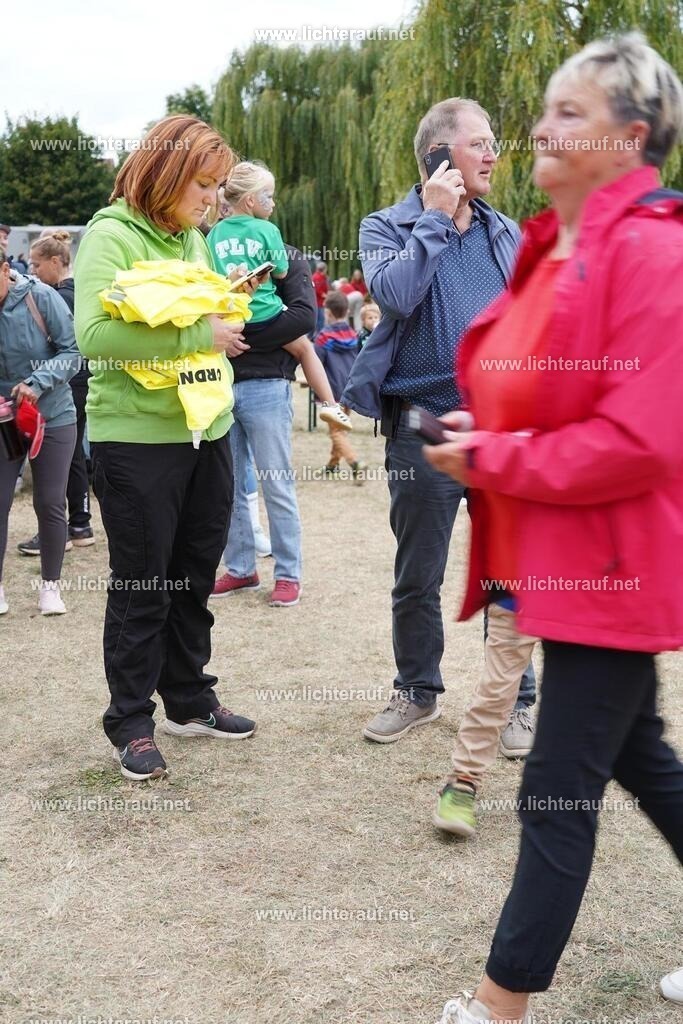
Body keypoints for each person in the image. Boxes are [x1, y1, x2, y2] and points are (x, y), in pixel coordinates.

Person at [427, 33, 683, 1024]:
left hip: (613, 569)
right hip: (565, 561)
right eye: (544, 107)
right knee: (640, 759)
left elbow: (636, 439)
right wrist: (482, 428)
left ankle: (496, 1009)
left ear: (632, 137)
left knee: (552, 795)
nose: (540, 126)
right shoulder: (557, 245)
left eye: (567, 113)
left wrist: (495, 460)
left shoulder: (653, 251)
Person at [341, 96, 536, 745]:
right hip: (421, 427)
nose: (492, 154)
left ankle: (515, 702)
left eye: (492, 142)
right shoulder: (386, 226)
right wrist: (432, 218)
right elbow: (394, 296)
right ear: (438, 155)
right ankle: (417, 692)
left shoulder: (504, 230)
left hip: (501, 430)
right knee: (417, 573)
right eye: (478, 143)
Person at [74, 115, 256, 783]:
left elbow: (205, 312)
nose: (211, 201)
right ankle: (130, 719)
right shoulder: (110, 235)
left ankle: (189, 699)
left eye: (217, 187)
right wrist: (196, 338)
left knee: (191, 577)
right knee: (143, 584)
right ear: (166, 173)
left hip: (206, 431)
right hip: (136, 441)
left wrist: (231, 313)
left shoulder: (191, 242)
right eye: (203, 185)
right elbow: (93, 336)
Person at [206, 163, 350, 432]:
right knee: (305, 349)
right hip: (266, 313)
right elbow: (282, 272)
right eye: (268, 196)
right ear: (251, 200)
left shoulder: (213, 234)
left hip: (233, 317)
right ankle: (330, 405)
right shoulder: (267, 230)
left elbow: (211, 277)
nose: (272, 203)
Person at [210, 240, 315, 607]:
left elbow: (303, 318)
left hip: (268, 384)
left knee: (276, 482)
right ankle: (240, 568)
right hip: (220, 382)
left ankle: (288, 574)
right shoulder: (210, 249)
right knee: (229, 484)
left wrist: (237, 336)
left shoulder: (287, 257)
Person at [0, 236, 79, 616]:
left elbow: (73, 351)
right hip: (4, 421)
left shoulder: (40, 297)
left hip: (53, 416)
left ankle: (50, 588)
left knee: (49, 502)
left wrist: (36, 383)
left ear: (6, 271)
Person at [17, 230, 95, 556]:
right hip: (84, 378)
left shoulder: (55, 298)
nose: (33, 271)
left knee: (59, 458)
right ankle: (80, 524)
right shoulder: (82, 292)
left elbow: (57, 347)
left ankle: (61, 527)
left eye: (36, 265)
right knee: (74, 454)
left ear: (54, 261)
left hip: (66, 381)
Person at [315, 290, 365, 481]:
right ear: (346, 311)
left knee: (336, 431)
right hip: (349, 389)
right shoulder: (354, 335)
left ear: (327, 313)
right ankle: (333, 464)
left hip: (331, 390)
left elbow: (316, 363)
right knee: (339, 428)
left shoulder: (323, 338)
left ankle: (355, 462)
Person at [311, 260, 329, 336]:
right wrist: (325, 296)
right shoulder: (318, 277)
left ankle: (313, 335)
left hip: (318, 301)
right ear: (324, 269)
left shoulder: (318, 276)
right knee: (320, 320)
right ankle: (318, 336)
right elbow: (318, 290)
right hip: (318, 302)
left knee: (318, 319)